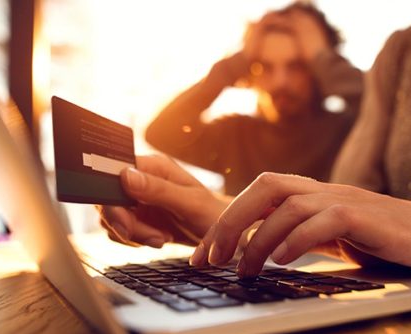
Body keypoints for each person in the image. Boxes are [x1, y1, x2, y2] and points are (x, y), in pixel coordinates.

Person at [100, 0, 411, 334]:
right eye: (268, 67)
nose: (282, 81)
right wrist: (221, 217)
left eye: (300, 64)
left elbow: (379, 204)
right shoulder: (403, 47)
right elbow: (354, 219)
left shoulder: (345, 110)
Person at [145, 2, 363, 195]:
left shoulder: (351, 131)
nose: (281, 82)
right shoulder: (235, 136)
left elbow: (387, 114)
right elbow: (162, 132)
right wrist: (238, 61)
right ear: (249, 70)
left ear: (317, 70)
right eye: (265, 67)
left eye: (296, 66)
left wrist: (323, 58)